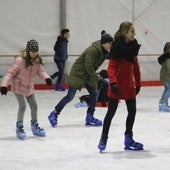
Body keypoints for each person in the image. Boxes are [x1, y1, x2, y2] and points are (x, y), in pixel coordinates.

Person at [48, 31, 113, 127]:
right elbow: (88, 66)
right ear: (103, 43)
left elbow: (111, 56)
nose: (110, 46)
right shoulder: (93, 50)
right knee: (70, 96)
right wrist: (97, 77)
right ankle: (54, 113)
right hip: (78, 74)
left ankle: (90, 117)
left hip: (88, 75)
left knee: (95, 94)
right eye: (109, 43)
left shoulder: (103, 51)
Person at [98, 21, 144, 152]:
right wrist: (112, 83)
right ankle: (103, 138)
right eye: (131, 31)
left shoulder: (133, 47)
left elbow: (136, 67)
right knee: (110, 113)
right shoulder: (117, 47)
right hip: (116, 86)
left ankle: (128, 138)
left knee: (132, 111)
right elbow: (111, 67)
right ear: (124, 33)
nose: (134, 34)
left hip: (128, 85)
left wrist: (139, 83)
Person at [0, 39, 52, 140]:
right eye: (32, 52)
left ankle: (34, 126)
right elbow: (10, 73)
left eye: (36, 51)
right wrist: (4, 85)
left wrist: (47, 78)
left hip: (29, 88)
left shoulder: (37, 61)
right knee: (22, 106)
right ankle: (19, 128)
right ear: (28, 51)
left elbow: (41, 71)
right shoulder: (20, 60)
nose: (34, 54)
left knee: (34, 106)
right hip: (18, 87)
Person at [158, 42, 170, 112]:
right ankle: (163, 104)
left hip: (164, 76)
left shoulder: (164, 56)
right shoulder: (168, 58)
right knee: (169, 89)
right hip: (167, 77)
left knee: (166, 89)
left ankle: (162, 104)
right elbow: (169, 68)